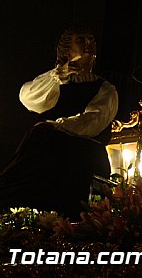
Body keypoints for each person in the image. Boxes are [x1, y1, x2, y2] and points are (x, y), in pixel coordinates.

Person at [0, 28, 118, 220]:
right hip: (46, 151)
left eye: (92, 41)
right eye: (81, 40)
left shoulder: (104, 89)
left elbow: (93, 120)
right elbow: (29, 97)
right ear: (66, 50)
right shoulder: (55, 81)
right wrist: (57, 76)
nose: (89, 45)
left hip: (81, 156)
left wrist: (57, 126)